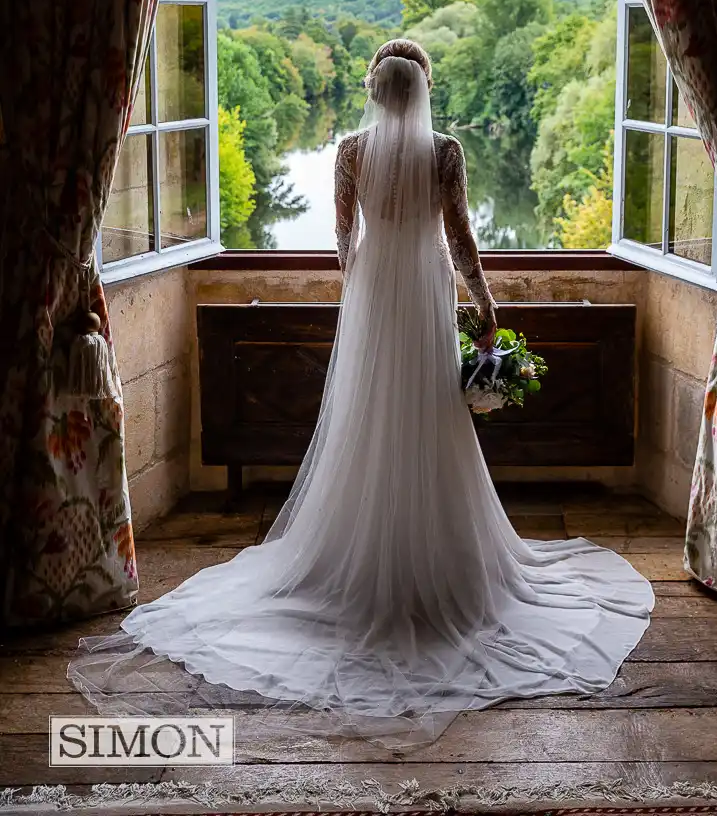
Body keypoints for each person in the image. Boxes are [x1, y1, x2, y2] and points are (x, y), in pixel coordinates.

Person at [68, 39, 654, 750]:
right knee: (431, 423)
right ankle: (443, 570)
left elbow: (344, 238)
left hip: (377, 296)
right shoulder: (445, 153)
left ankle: (359, 564)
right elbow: (462, 239)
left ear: (377, 92)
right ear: (424, 90)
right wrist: (488, 306)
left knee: (368, 420)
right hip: (425, 298)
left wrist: (371, 285)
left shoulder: (349, 152)